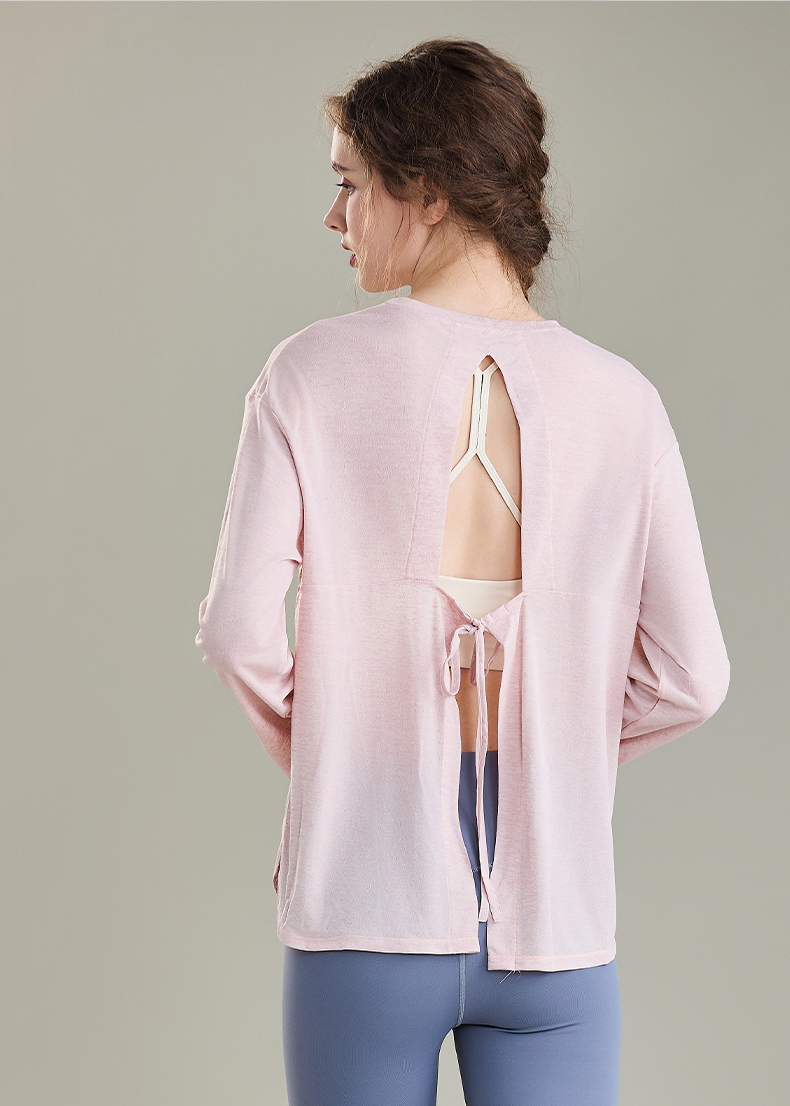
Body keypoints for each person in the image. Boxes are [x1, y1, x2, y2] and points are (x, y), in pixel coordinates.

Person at [195, 37, 730, 1106]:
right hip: (556, 917)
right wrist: (564, 745)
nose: (334, 216)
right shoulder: (623, 401)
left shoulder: (311, 372)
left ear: (428, 190)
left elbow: (237, 633)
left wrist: (338, 753)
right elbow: (693, 676)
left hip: (365, 898)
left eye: (350, 184)